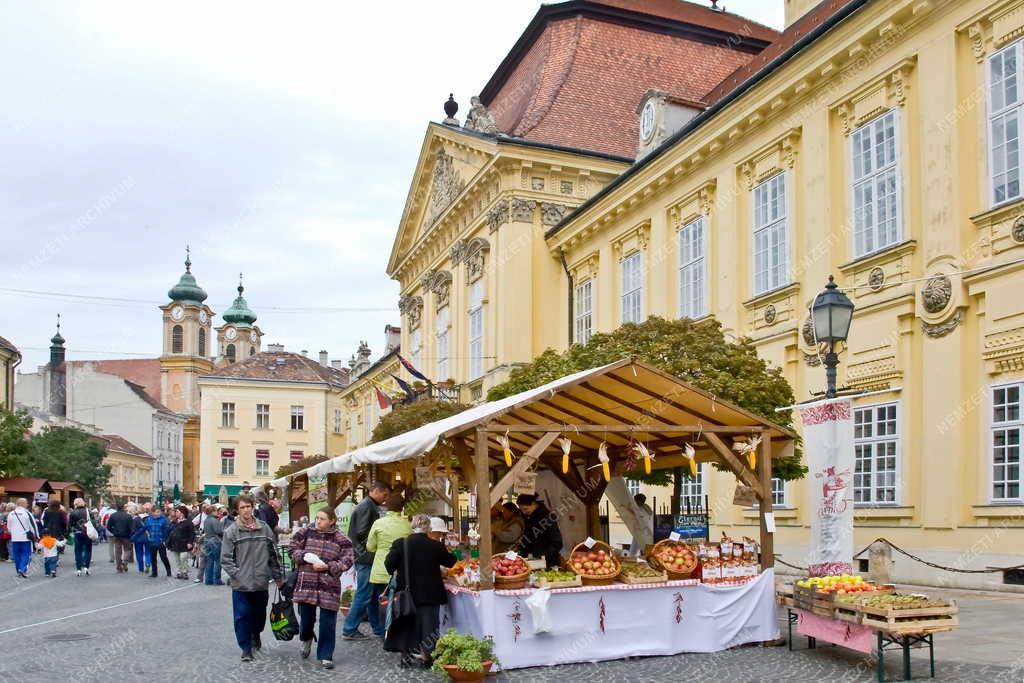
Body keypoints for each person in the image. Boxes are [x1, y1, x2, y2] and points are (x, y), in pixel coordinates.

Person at [384, 515, 457, 668]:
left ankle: (405, 657)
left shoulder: (400, 544)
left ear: (412, 526)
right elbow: (450, 562)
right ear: (428, 528)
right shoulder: (435, 545)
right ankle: (426, 658)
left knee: (407, 624)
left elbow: (389, 565)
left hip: (407, 593)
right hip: (430, 594)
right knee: (429, 626)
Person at [221, 494, 284, 662]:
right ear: (237, 511)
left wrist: (278, 576)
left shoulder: (264, 529)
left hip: (261, 581)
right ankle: (246, 647)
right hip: (241, 584)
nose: (246, 510)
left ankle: (256, 633)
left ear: (253, 507)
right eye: (242, 507)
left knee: (259, 614)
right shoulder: (231, 532)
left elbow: (273, 554)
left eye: (248, 506)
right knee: (242, 616)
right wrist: (237, 574)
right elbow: (225, 559)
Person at [289, 507, 354, 669]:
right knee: (306, 619)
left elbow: (348, 560)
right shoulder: (305, 532)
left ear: (332, 521)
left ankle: (326, 655)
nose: (318, 521)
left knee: (328, 622)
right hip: (307, 583)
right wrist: (303, 556)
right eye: (317, 518)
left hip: (328, 586)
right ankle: (306, 638)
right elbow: (292, 548)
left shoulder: (342, 539)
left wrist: (328, 566)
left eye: (322, 519)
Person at [341, 480, 391, 641]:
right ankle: (349, 629)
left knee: (372, 594)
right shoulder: (367, 506)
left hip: (364, 556)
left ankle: (378, 628)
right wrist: (379, 537)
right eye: (384, 494)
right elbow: (363, 533)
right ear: (376, 491)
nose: (385, 498)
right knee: (364, 594)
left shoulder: (367, 505)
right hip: (365, 557)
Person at [362, 492, 411, 638]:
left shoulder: (378, 523)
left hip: (380, 569)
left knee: (378, 601)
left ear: (386, 506)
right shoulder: (407, 525)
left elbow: (370, 547)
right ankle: (396, 632)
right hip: (400, 570)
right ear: (402, 508)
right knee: (398, 601)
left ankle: (381, 630)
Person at [516, 494, 563, 568]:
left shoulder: (548, 518)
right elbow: (528, 538)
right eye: (521, 510)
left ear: (534, 504)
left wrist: (543, 556)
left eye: (525, 509)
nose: (523, 512)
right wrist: (520, 553)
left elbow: (557, 543)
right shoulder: (530, 517)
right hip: (533, 562)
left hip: (548, 563)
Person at [7, 498, 37, 578]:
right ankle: (22, 568)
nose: (27, 504)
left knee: (17, 555)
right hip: (25, 538)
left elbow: (9, 528)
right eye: (27, 503)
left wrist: (13, 532)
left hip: (14, 538)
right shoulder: (27, 513)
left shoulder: (11, 513)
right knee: (26, 554)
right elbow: (33, 526)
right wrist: (36, 536)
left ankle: (18, 570)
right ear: (23, 504)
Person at [167, 505, 196, 580]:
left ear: (182, 513)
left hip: (184, 544)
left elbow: (192, 533)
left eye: (177, 511)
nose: (176, 513)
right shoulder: (174, 521)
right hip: (175, 543)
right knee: (177, 559)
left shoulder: (188, 522)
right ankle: (179, 572)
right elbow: (169, 531)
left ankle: (185, 572)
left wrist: (190, 542)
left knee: (183, 558)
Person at [143, 505, 172, 577]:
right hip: (152, 541)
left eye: (160, 512)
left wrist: (165, 540)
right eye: (157, 512)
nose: (159, 513)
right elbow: (144, 529)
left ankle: (168, 571)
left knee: (163, 557)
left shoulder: (164, 520)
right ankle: (154, 573)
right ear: (152, 512)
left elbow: (166, 531)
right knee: (153, 558)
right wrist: (134, 537)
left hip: (160, 542)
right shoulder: (148, 520)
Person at [69, 498, 96, 576]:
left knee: (78, 551)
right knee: (88, 550)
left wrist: (68, 535)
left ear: (75, 504)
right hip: (87, 532)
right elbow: (93, 522)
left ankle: (78, 569)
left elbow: (70, 525)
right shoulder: (88, 511)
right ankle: (86, 567)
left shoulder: (73, 512)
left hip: (78, 533)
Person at [106, 502, 134, 572]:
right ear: (124, 508)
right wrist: (131, 534)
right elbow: (132, 528)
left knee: (118, 551)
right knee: (127, 550)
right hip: (126, 536)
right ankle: (125, 562)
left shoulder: (113, 516)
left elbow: (108, 527)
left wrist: (114, 532)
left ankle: (119, 566)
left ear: (117, 507)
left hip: (117, 536)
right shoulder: (128, 516)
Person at [202, 506, 225, 585]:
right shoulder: (214, 520)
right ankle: (217, 580)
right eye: (216, 511)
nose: (217, 512)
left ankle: (208, 580)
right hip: (214, 541)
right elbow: (218, 531)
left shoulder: (206, 520)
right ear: (212, 512)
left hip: (206, 540)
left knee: (209, 560)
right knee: (218, 561)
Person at [129, 503, 150, 573]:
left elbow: (133, 531)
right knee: (147, 552)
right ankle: (147, 563)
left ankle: (141, 568)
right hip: (147, 537)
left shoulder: (135, 519)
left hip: (138, 538)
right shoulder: (148, 517)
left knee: (139, 553)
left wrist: (132, 537)